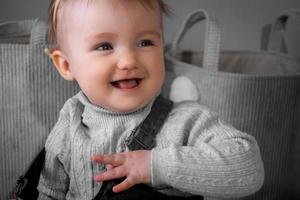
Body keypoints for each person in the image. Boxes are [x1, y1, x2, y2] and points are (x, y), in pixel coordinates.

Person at [37, 0, 264, 199]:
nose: (128, 61)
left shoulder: (186, 120)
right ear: (66, 65)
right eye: (104, 46)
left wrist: (156, 165)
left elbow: (250, 167)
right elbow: (50, 191)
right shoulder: (70, 122)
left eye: (145, 42)